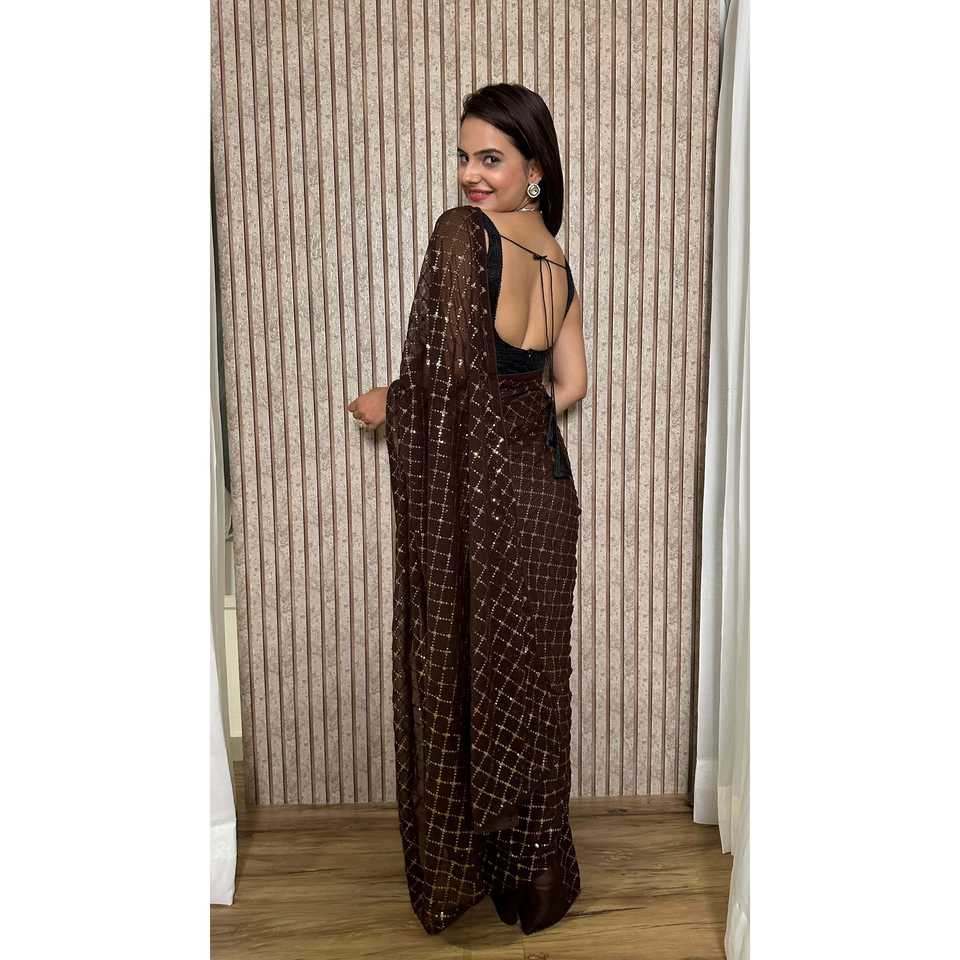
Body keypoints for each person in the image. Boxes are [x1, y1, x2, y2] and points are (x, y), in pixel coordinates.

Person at [347, 83, 587, 936]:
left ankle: (462, 874)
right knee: (531, 681)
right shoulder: (557, 258)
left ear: (534, 167)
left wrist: (390, 401)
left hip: (488, 505)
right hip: (546, 498)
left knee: (462, 665)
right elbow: (570, 385)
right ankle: (535, 881)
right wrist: (513, 425)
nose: (471, 175)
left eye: (491, 158)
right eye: (464, 156)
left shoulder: (463, 235)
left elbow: (450, 379)